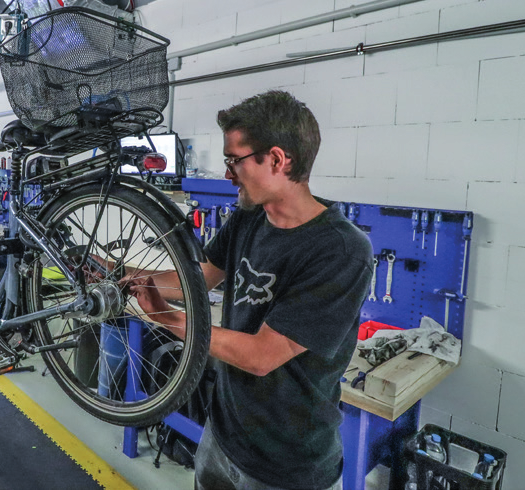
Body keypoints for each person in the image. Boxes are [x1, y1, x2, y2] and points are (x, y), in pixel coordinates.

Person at [130, 90, 373, 490]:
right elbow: (197, 279)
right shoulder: (248, 219)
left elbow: (261, 356)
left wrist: (167, 317)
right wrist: (121, 276)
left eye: (234, 160)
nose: (228, 174)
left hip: (286, 466)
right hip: (222, 435)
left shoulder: (342, 251)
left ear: (277, 159)